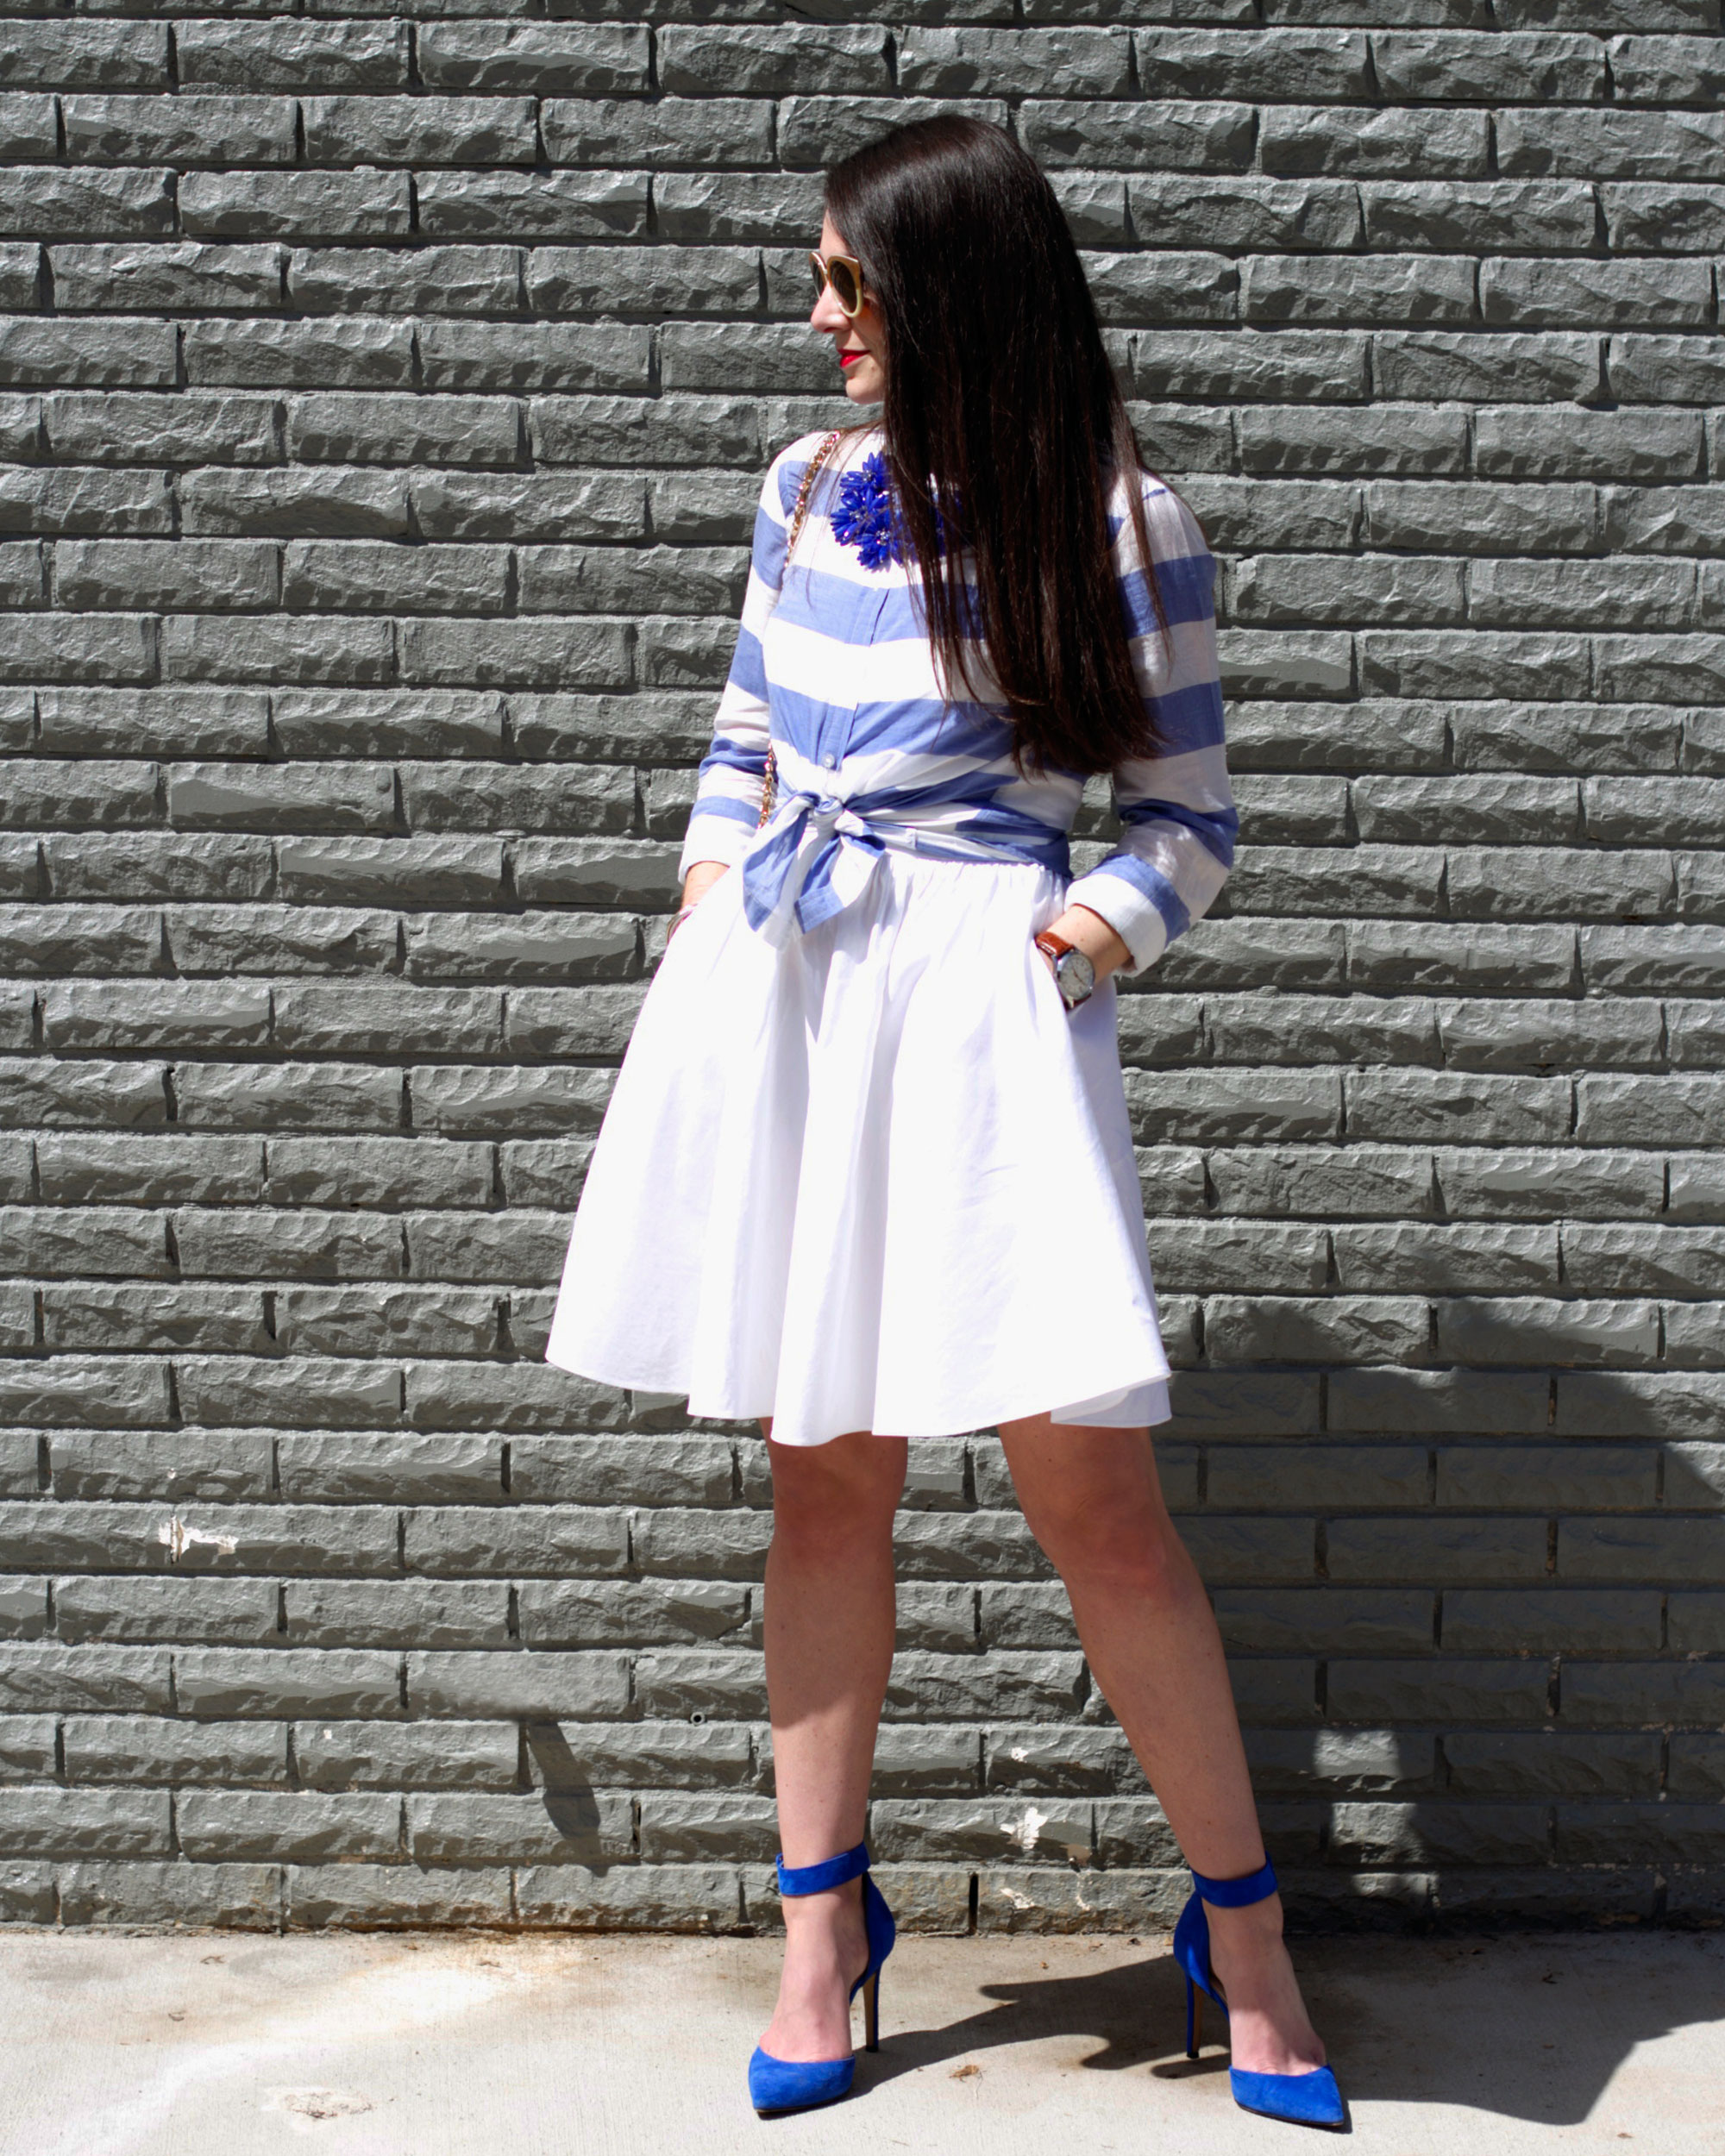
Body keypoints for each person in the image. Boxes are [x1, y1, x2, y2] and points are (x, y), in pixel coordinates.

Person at [545, 115, 1344, 2133]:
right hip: (800, 991)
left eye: (848, 284)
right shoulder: (806, 485)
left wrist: (1059, 950)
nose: (817, 317)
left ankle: (1242, 1935)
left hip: (982, 1013)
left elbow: (1191, 821)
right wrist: (710, 883)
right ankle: (824, 1927)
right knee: (825, 1477)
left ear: (948, 292)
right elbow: (743, 717)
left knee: (1095, 1502)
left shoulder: (1115, 519)